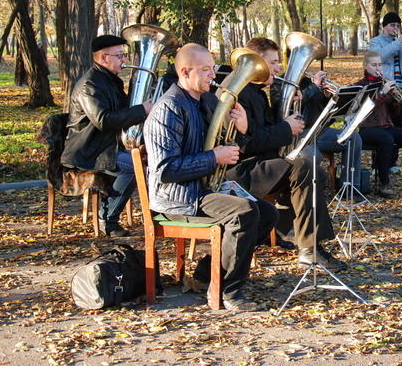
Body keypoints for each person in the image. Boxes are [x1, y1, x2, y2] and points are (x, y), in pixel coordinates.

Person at [143, 43, 278, 312]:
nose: (212, 76)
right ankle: (228, 292)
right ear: (184, 71)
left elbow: (224, 142)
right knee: (244, 213)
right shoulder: (167, 109)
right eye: (205, 70)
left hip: (203, 188)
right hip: (177, 198)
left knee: (267, 213)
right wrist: (213, 158)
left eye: (212, 69)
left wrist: (240, 128)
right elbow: (165, 170)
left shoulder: (205, 100)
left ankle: (208, 275)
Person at [225, 37, 347, 272]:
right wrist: (286, 128)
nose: (279, 68)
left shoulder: (256, 90)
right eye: (273, 63)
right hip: (239, 170)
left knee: (310, 166)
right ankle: (309, 249)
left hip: (257, 162)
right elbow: (246, 144)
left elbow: (262, 129)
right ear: (257, 62)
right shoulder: (239, 91)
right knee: (305, 166)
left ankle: (291, 233)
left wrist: (293, 109)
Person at [61, 35, 151, 237]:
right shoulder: (89, 85)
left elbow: (121, 112)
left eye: (124, 55)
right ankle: (108, 219)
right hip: (88, 150)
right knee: (134, 167)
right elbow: (104, 120)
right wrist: (141, 110)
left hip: (106, 146)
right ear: (103, 58)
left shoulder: (109, 80)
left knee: (147, 160)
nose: (124, 60)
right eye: (120, 56)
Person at [270, 69, 363, 191]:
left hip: (319, 131)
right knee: (313, 156)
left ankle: (349, 187)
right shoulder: (280, 83)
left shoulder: (311, 81)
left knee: (353, 138)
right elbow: (285, 105)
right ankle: (311, 194)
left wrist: (327, 97)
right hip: (298, 134)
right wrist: (314, 87)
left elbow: (324, 112)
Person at [353, 51, 402, 199]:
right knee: (386, 139)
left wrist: (394, 100)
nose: (378, 68)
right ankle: (384, 183)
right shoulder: (359, 86)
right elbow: (365, 108)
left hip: (386, 127)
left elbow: (395, 113)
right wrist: (383, 94)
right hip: (367, 129)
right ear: (366, 66)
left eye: (380, 64)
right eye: (374, 65)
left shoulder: (384, 83)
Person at [367, 12, 402, 130]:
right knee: (387, 127)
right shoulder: (375, 42)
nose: (395, 28)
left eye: (397, 25)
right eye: (392, 25)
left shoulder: (401, 43)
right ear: (384, 26)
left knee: (400, 127)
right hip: (386, 90)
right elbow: (379, 57)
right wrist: (398, 42)